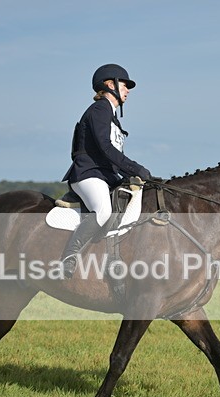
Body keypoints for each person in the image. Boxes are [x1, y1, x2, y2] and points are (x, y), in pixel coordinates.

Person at [59, 64, 152, 278]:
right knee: (103, 211)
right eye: (125, 86)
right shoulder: (100, 109)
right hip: (89, 174)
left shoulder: (111, 116)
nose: (128, 91)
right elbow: (106, 148)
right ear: (110, 85)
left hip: (106, 176)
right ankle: (69, 257)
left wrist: (131, 175)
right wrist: (134, 168)